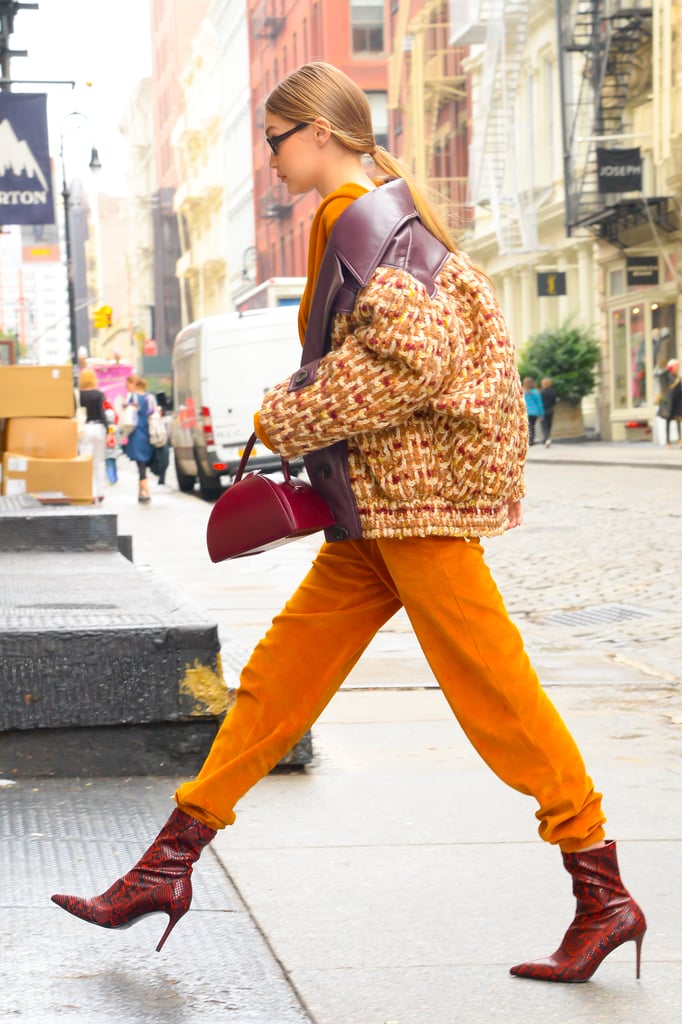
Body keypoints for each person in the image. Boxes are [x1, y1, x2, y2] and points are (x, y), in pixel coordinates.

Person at [52, 61, 645, 985]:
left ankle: (602, 890)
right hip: (377, 515)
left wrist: (285, 415)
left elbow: (411, 360)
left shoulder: (364, 217)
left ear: (320, 134)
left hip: (415, 513)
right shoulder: (372, 214)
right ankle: (165, 867)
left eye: (277, 140)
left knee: (498, 697)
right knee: (278, 681)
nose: (273, 159)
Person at [77, 368, 108, 503]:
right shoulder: (99, 394)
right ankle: (100, 491)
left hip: (84, 428)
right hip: (98, 428)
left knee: (86, 461)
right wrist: (107, 429)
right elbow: (103, 413)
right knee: (99, 461)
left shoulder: (78, 395)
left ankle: (90, 492)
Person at [123, 373, 154, 503]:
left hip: (136, 434)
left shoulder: (132, 397)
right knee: (142, 464)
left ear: (134, 384)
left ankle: (147, 492)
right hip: (147, 433)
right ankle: (140, 493)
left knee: (140, 465)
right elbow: (154, 412)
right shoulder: (149, 398)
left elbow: (125, 412)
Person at [655, 358, 682, 447]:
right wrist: (668, 368)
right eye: (676, 366)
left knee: (678, 419)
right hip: (669, 402)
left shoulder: (677, 376)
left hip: (677, 401)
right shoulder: (666, 376)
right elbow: (660, 374)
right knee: (668, 421)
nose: (677, 368)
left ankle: (679, 439)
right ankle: (668, 441)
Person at [522, 376, 544, 446]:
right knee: (532, 426)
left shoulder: (522, 392)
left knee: (526, 427)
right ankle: (531, 441)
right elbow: (539, 403)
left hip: (525, 412)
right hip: (534, 412)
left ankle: (526, 440)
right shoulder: (535, 392)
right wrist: (541, 414)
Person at [540, 376, 558, 448]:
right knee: (549, 425)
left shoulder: (541, 393)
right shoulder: (553, 392)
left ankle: (546, 439)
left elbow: (539, 403)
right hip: (550, 410)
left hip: (543, 411)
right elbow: (554, 402)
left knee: (544, 426)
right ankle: (547, 438)